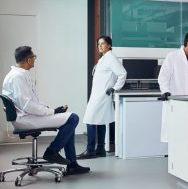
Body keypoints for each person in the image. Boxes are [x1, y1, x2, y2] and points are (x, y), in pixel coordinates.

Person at [2, 46, 90, 176]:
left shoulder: (17, 75)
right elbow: (27, 105)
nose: (35, 60)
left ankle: (72, 165)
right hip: (26, 119)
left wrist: (51, 110)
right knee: (73, 118)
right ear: (28, 60)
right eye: (34, 57)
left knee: (68, 120)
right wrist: (51, 112)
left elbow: (32, 102)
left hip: (27, 116)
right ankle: (52, 152)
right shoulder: (17, 77)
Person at [79, 36, 126, 159]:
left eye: (103, 43)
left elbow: (122, 73)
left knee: (90, 120)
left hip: (102, 95)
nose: (99, 46)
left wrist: (115, 88)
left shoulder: (111, 58)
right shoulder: (104, 58)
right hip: (97, 94)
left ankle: (90, 150)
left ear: (109, 45)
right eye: (98, 44)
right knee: (100, 121)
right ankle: (100, 149)